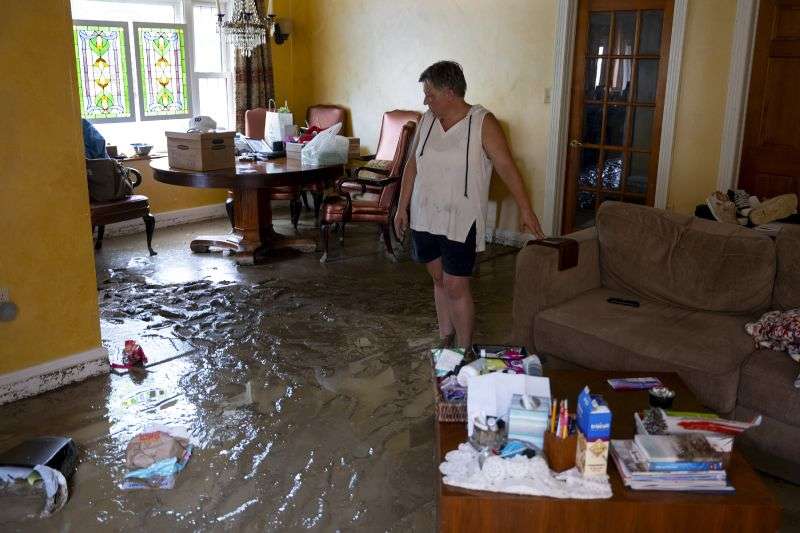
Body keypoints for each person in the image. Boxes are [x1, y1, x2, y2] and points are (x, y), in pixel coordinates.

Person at [394, 60, 544, 352]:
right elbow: (412, 166)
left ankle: (464, 348)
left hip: (460, 219)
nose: (425, 100)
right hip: (425, 215)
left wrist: (526, 210)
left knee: (456, 286)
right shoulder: (426, 121)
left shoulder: (482, 123)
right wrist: (402, 207)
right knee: (438, 279)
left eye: (430, 93)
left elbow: (506, 167)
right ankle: (445, 336)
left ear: (450, 92)